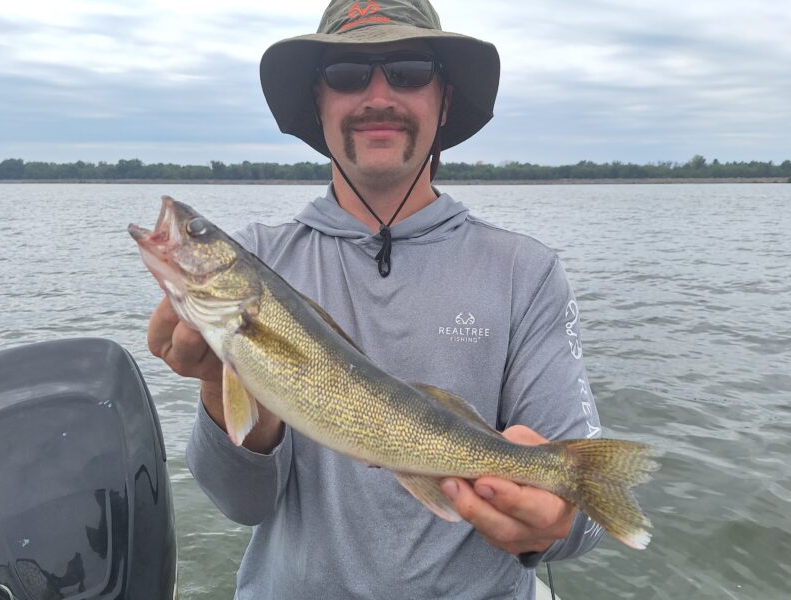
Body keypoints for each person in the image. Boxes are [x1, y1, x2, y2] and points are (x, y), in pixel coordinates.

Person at [147, 1, 604, 598]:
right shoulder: (262, 259)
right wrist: (217, 383)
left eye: (410, 71)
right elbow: (241, 504)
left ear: (444, 100)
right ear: (319, 102)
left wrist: (553, 522)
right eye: (346, 75)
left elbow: (588, 520)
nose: (378, 95)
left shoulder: (526, 272)